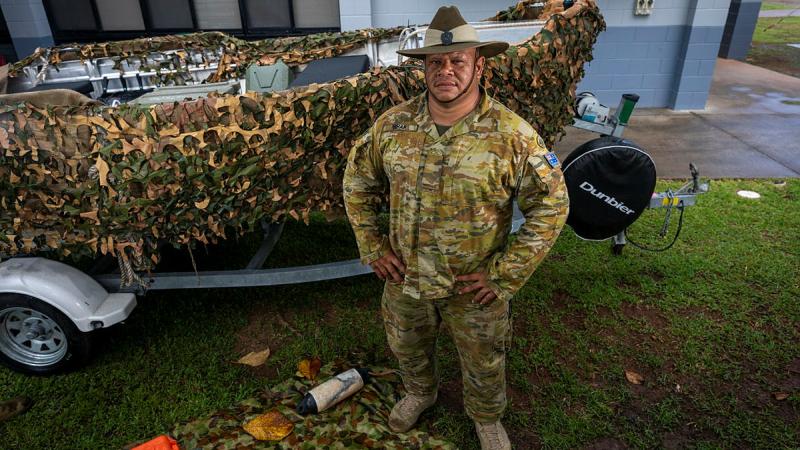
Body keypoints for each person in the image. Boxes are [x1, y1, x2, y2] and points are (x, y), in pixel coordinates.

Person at [343, 5, 569, 449]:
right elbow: (358, 179)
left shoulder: (512, 135)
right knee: (407, 346)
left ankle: (487, 419)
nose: (446, 70)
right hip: (406, 278)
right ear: (424, 69)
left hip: (473, 286)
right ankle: (419, 394)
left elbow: (552, 205)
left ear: (478, 66)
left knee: (484, 361)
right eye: (436, 62)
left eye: (457, 61)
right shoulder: (393, 127)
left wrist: (504, 274)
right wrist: (372, 245)